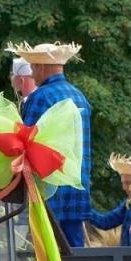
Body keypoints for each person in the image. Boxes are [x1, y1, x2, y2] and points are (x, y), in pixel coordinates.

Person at [10, 41, 93, 248]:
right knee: (75, 254)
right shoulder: (80, 97)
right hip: (77, 192)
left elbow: (26, 143)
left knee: (46, 255)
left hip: (49, 193)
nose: (32, 74)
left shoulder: (40, 97)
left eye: (33, 68)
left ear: (40, 67)